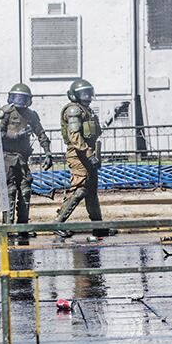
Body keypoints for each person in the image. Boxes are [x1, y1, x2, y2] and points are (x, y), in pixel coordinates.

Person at [54, 79, 112, 240]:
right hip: (79, 155)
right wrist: (88, 154)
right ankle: (57, 223)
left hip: (88, 154)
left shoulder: (88, 111)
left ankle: (98, 227)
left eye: (88, 92)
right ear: (74, 95)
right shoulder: (74, 110)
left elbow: (93, 133)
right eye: (83, 93)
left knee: (91, 191)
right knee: (79, 189)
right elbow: (75, 136)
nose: (87, 96)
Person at [0, 83, 52, 245]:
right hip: (7, 158)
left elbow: (40, 133)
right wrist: (15, 135)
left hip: (22, 159)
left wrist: (48, 152)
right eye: (17, 98)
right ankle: (7, 227)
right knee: (10, 192)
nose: (20, 101)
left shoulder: (31, 115)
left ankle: (23, 226)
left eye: (23, 98)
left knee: (25, 191)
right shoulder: (6, 112)